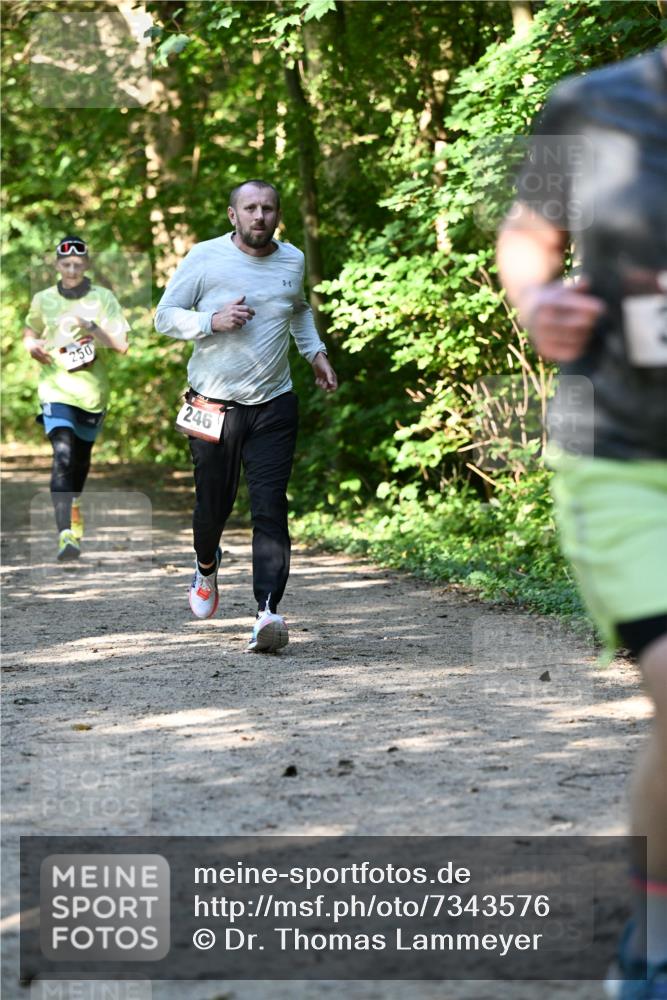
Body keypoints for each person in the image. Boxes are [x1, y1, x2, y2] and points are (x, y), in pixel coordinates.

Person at [497, 47, 667, 999]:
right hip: (624, 459)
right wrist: (536, 300)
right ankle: (655, 929)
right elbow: (529, 233)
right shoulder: (594, 108)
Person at [154, 180, 337, 652]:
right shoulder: (204, 257)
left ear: (278, 215)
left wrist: (314, 352)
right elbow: (164, 315)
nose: (260, 215)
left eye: (268, 208)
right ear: (233, 215)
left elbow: (296, 310)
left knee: (271, 507)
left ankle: (267, 613)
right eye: (250, 208)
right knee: (212, 505)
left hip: (274, 403)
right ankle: (206, 564)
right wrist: (209, 321)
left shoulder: (292, 259)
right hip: (212, 404)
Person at [24, 236, 130, 561]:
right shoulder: (43, 299)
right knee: (63, 455)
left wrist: (91, 326)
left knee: (80, 461)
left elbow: (122, 345)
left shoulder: (103, 298)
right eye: (66, 264)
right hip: (55, 389)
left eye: (78, 264)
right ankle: (65, 534)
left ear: (86, 265)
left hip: (92, 394)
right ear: (57, 265)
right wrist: (31, 345)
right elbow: (30, 329)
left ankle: (73, 505)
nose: (72, 269)